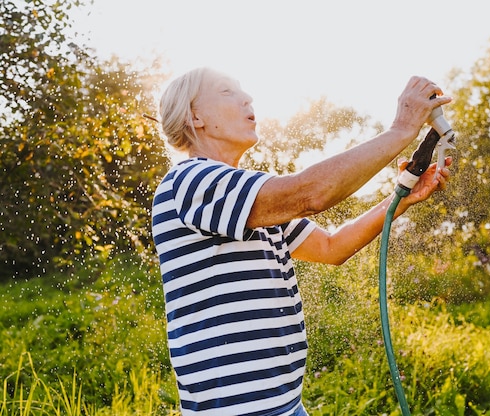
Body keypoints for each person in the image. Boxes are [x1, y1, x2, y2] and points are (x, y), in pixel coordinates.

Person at [151, 66, 452, 416]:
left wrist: (402, 198)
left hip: (286, 405)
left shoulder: (250, 201)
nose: (247, 98)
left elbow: (331, 246)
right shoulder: (190, 180)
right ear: (195, 116)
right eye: (226, 92)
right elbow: (311, 193)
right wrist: (401, 130)